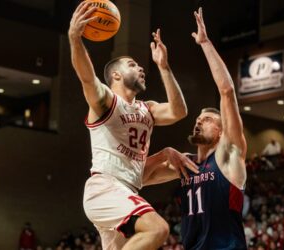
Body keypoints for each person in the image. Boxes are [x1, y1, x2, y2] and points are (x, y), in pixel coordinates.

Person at [68, 2, 197, 250]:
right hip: (105, 188)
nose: (140, 68)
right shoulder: (106, 102)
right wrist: (75, 39)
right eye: (131, 64)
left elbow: (179, 111)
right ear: (115, 75)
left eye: (140, 65)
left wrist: (164, 66)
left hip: (128, 189)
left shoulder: (146, 109)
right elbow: (86, 76)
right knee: (158, 228)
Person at [143, 7, 247, 249]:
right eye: (198, 119)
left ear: (222, 132)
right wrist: (164, 154)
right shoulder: (185, 165)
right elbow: (138, 179)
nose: (199, 121)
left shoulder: (228, 156)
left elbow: (227, 91)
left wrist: (204, 42)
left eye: (208, 119)